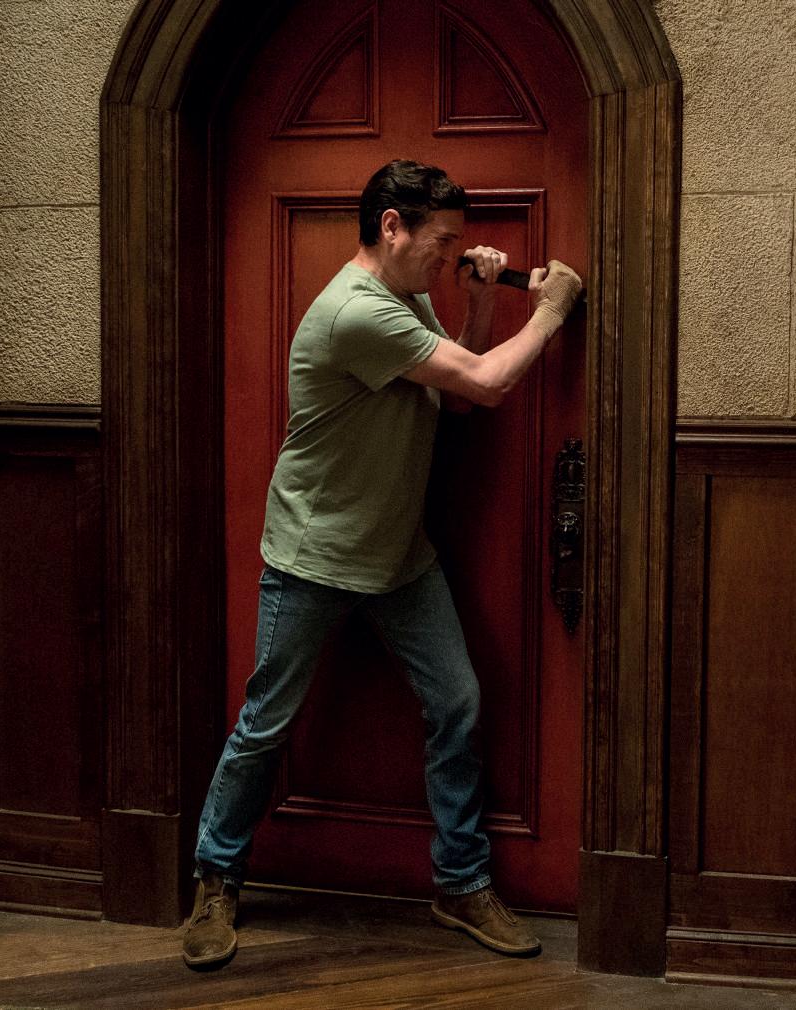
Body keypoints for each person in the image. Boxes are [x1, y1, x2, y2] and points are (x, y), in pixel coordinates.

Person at [182, 159, 582, 968]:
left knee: (457, 704)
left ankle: (460, 884)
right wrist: (550, 311)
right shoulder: (357, 312)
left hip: (400, 556)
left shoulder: (408, 298)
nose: (451, 255)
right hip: (315, 555)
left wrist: (477, 302)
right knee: (266, 724)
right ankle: (216, 879)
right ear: (391, 227)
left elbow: (455, 394)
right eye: (443, 242)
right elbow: (487, 384)